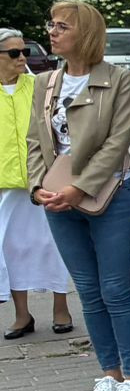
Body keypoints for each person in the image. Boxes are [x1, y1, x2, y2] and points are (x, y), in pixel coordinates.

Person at [26, 0, 130, 391]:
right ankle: (110, 373)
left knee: (115, 290)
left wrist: (79, 188)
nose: (52, 31)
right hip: (58, 200)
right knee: (89, 292)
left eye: (62, 26)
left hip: (108, 195)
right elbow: (35, 141)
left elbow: (117, 142)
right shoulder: (46, 82)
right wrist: (37, 188)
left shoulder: (119, 79)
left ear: (87, 34)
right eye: (51, 24)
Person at [0, 29, 73, 340]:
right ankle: (22, 315)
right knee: (11, 248)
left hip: (44, 180)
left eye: (25, 52)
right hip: (5, 186)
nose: (22, 58)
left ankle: (61, 308)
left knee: (52, 244)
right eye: (14, 53)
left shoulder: (39, 86)